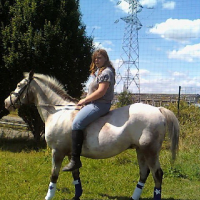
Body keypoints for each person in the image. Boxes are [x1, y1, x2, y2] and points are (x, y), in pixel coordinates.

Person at [62, 49, 116, 172]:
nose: (97, 60)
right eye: (95, 58)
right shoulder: (100, 72)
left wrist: (85, 101)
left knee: (77, 123)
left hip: (99, 105)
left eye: (100, 58)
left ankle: (75, 160)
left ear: (106, 59)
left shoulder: (106, 72)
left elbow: (101, 92)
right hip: (94, 103)